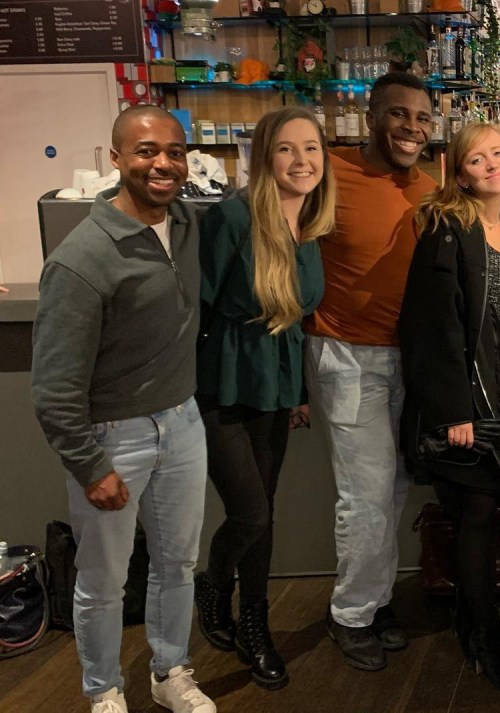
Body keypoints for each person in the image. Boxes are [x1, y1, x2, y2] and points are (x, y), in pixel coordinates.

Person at [31, 106, 216, 713]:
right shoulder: (81, 259)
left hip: (183, 423)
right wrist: (90, 466)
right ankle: (103, 689)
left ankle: (170, 672)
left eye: (173, 150)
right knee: (104, 579)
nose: (162, 163)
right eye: (145, 151)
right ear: (115, 159)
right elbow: (54, 388)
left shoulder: (186, 223)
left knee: (177, 565)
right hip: (112, 437)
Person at [193, 107, 335, 690]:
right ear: (263, 157)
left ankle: (256, 623)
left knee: (264, 510)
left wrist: (299, 391)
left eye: (311, 149)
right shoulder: (229, 219)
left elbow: (297, 322)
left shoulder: (313, 228)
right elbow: (194, 306)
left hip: (276, 385)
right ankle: (212, 584)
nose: (301, 161)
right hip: (222, 381)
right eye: (286, 149)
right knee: (250, 511)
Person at [302, 72, 437, 672]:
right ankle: (351, 614)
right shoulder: (327, 171)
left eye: (423, 118)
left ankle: (375, 602)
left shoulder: (428, 188)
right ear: (372, 116)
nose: (412, 128)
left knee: (395, 486)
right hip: (347, 353)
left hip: (410, 355)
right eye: (400, 115)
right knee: (366, 496)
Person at [399, 123, 500, 696]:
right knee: (478, 510)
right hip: (459, 398)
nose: (490, 165)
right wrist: (453, 410)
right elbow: (429, 328)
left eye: (498, 154)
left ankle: (471, 619)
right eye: (476, 159)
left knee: (492, 507)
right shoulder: (447, 230)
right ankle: (486, 639)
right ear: (458, 173)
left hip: (498, 387)